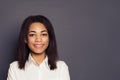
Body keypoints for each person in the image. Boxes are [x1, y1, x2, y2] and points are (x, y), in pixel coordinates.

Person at [7, 15, 70, 80]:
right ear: (25, 38)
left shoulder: (61, 68)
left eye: (43, 34)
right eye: (32, 35)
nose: (38, 39)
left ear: (50, 38)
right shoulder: (14, 68)